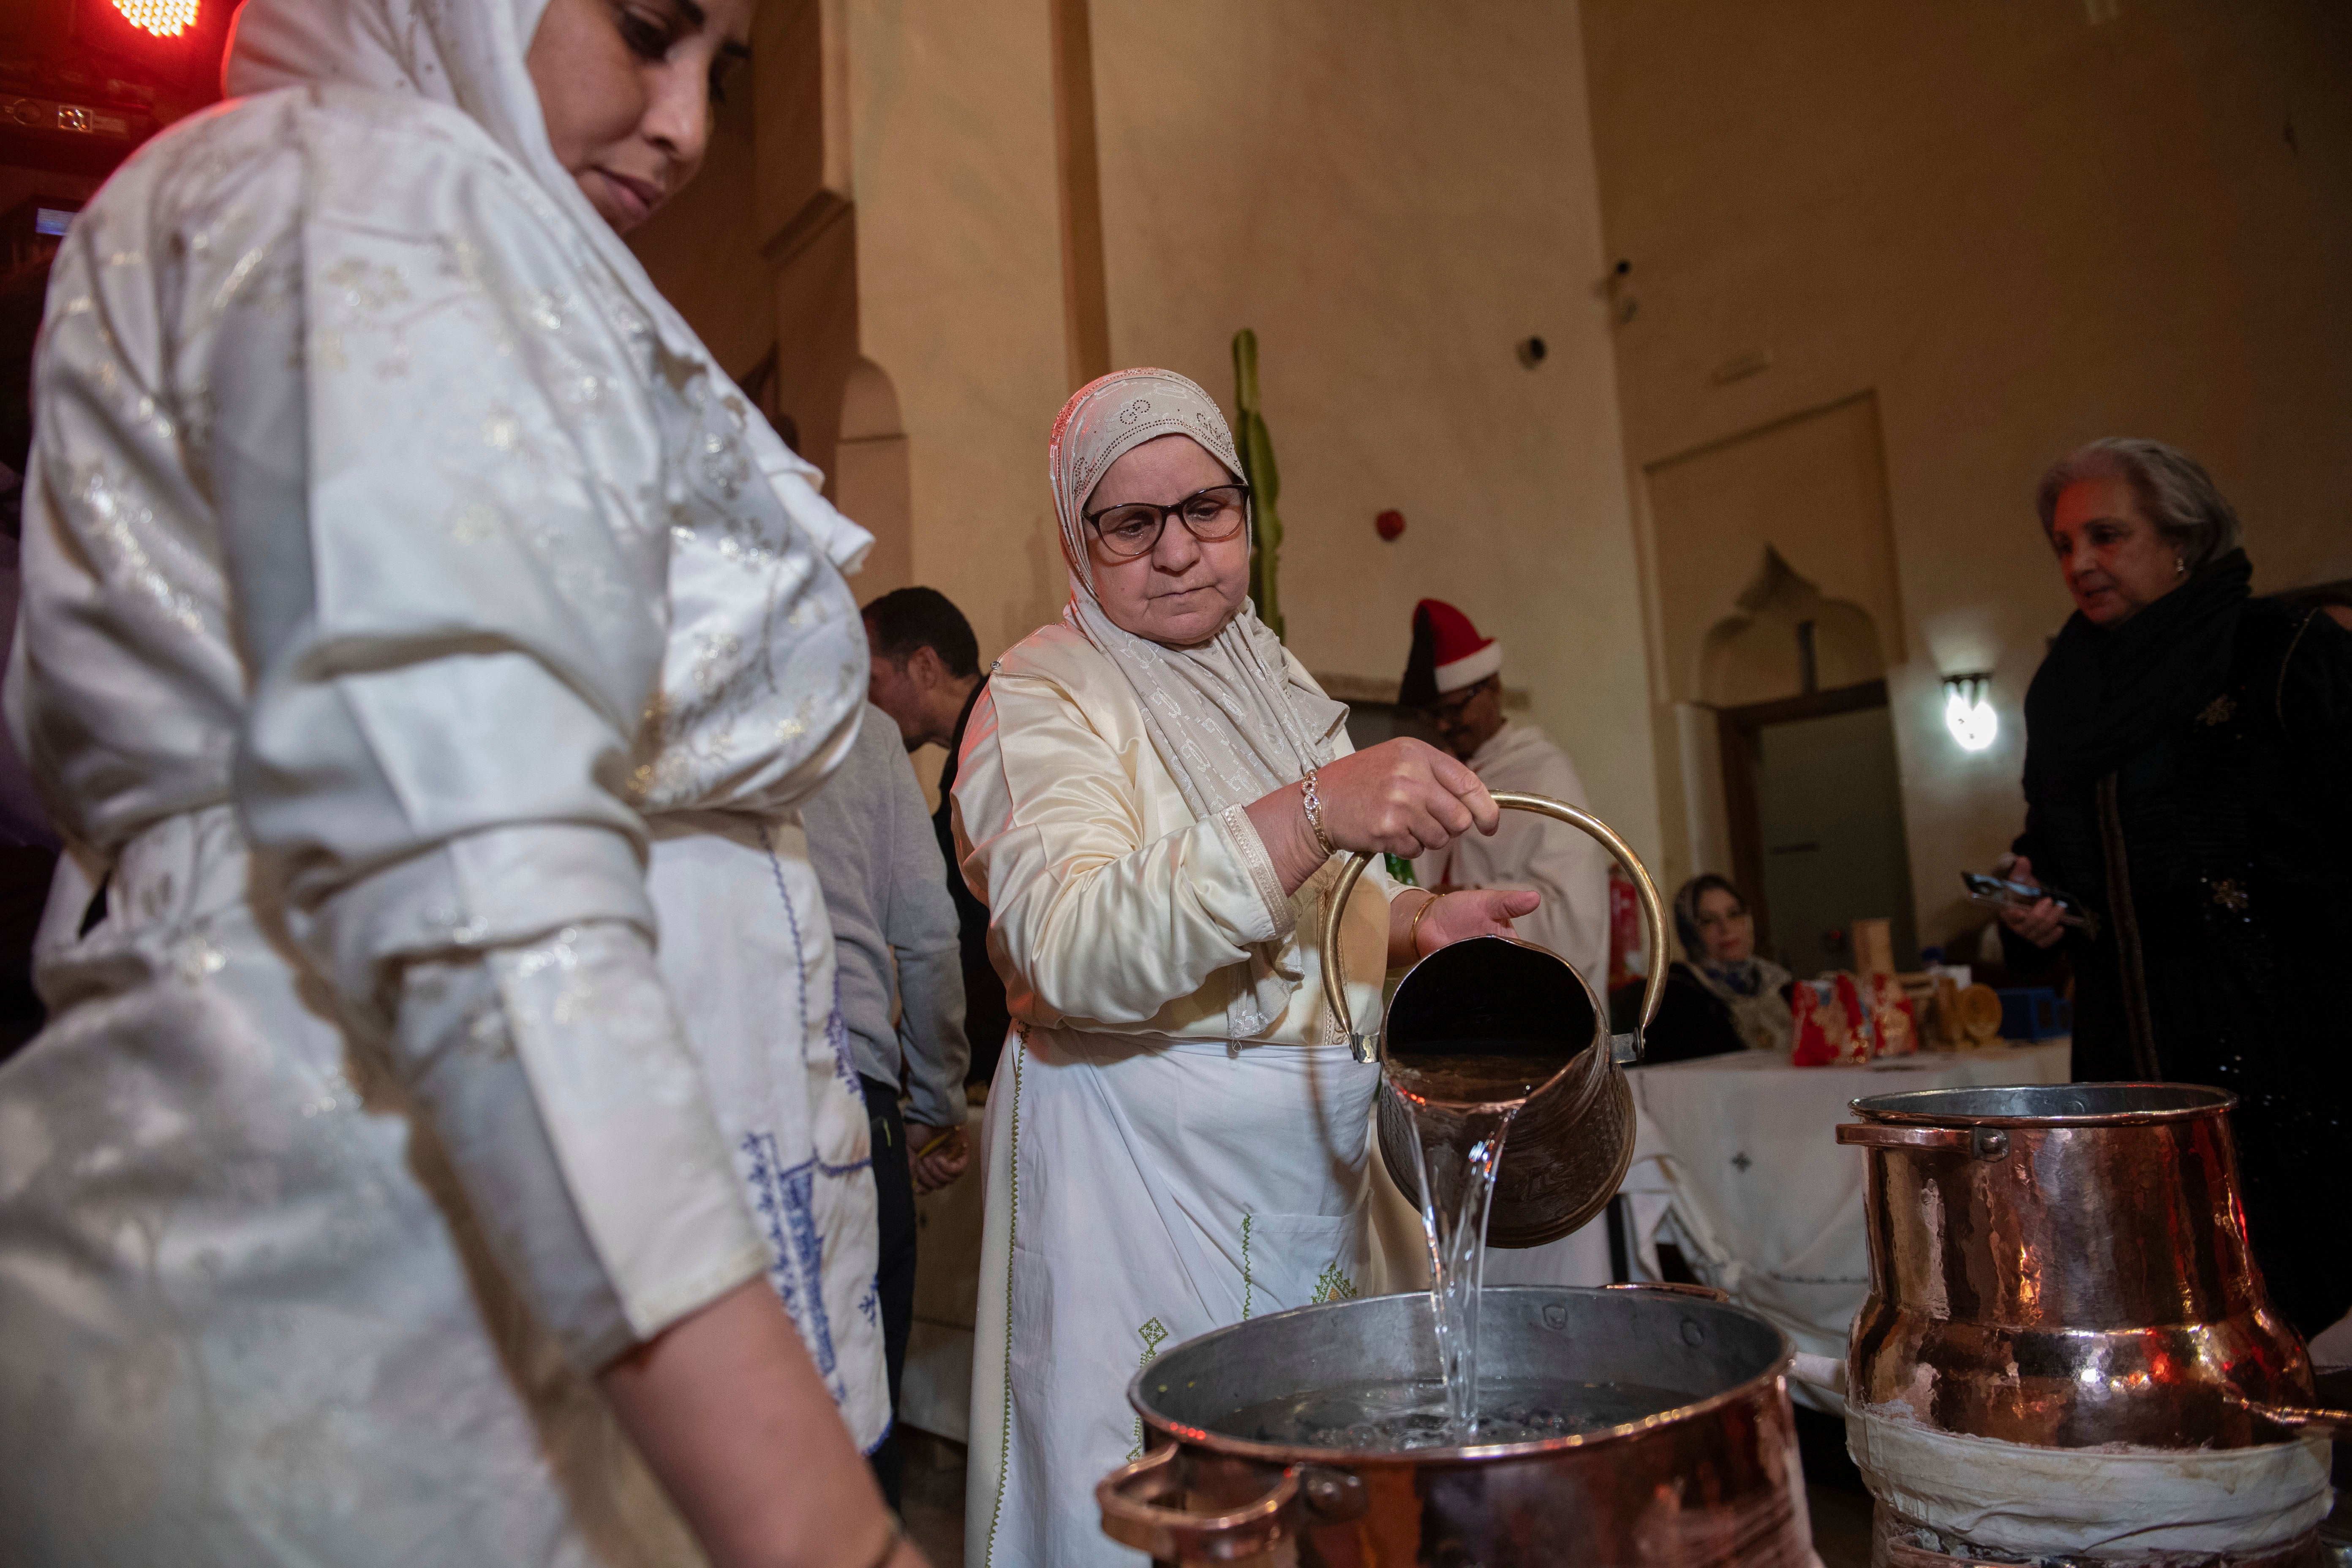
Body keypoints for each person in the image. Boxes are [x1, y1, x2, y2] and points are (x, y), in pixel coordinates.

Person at [0, 2, 922, 1564]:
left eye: (722, 68)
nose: (688, 125)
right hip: (361, 1240)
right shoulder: (360, 190)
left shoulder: (466, 243)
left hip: (494, 1229)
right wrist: (823, 1529)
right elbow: (480, 893)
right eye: (647, 29)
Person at [955, 368, 1535, 1565]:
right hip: (1133, 1172)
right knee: (1166, 1514)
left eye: (1206, 510)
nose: (1178, 551)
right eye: (1131, 523)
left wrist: (1412, 923)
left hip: (1314, 1165)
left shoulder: (1270, 676)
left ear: (1245, 514)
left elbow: (1311, 910)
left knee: (1325, 1502)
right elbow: (1066, 947)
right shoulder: (1042, 693)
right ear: (1076, 536)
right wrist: (1315, 809)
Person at [1998, 438, 2352, 1337]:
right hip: (2129, 1061)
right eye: (2063, 544)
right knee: (2166, 1320)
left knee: (2304, 1310)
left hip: (2287, 1049)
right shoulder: (2065, 690)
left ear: (2182, 539)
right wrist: (2029, 902)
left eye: (2106, 536)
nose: (2079, 562)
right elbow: (2052, 848)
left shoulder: (2279, 649)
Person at [802, 701, 972, 1509]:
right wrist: (935, 1102)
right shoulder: (862, 729)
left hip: (686, 1103)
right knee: (859, 1419)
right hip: (849, 1091)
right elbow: (929, 933)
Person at [1399, 598, 1609, 984]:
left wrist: (1465, 898)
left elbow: (1576, 913)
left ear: (1493, 688)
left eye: (1454, 709)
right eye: (1434, 715)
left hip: (1527, 986)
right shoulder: (1433, 774)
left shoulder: (1544, 773)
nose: (1444, 726)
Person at [863, 587, 1011, 1088]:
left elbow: (1000, 932)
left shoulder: (1004, 740)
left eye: (872, 681)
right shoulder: (978, 745)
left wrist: (932, 1058)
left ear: (924, 666)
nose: (864, 706)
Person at [1645, 874, 1795, 1062]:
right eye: (1708, 920)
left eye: (1734, 914)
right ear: (1689, 931)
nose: (1726, 929)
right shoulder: (1677, 995)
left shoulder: (1779, 982)